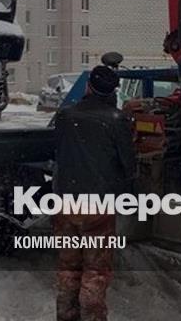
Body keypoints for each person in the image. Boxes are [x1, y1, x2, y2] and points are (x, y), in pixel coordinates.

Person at [52, 65, 136, 321]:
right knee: (95, 270)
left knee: (68, 267)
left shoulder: (65, 116)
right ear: (113, 91)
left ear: (88, 86)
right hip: (98, 206)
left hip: (66, 203)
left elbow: (58, 151)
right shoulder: (117, 120)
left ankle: (66, 315)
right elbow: (128, 166)